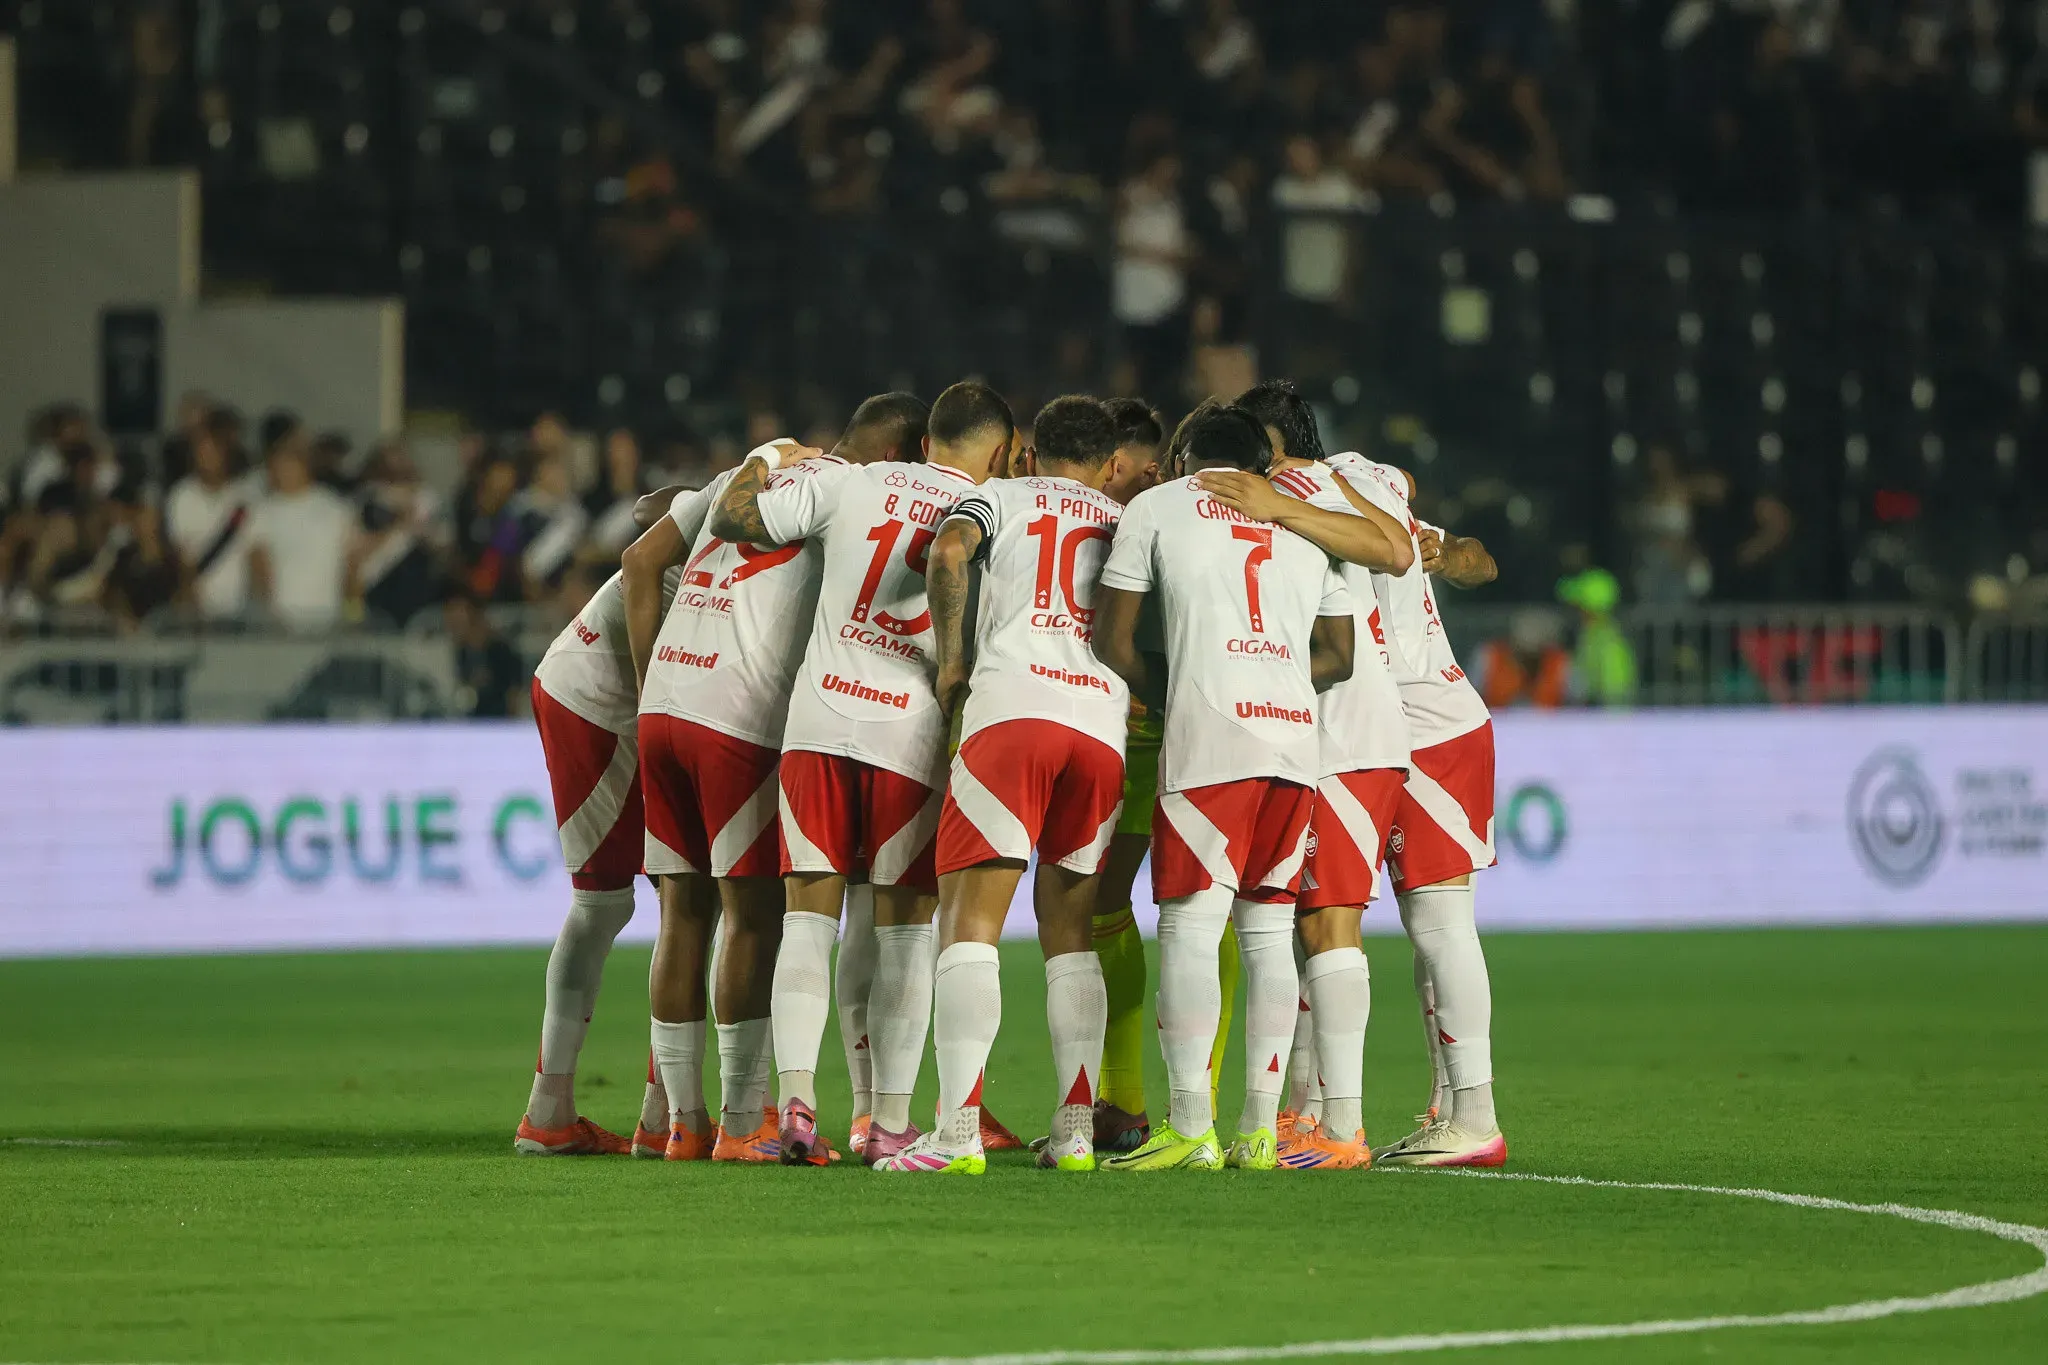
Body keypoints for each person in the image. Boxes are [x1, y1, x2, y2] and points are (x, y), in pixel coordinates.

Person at [710, 380, 1015, 1167]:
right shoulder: (992, 513)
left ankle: (800, 1104)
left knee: (808, 919)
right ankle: (886, 1122)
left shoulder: (852, 479)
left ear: (923, 442)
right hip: (905, 733)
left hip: (816, 721)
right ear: (1002, 453)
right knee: (906, 933)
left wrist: (765, 457)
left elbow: (734, 518)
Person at [622, 394, 929, 1164]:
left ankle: (680, 1122)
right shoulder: (855, 495)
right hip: (739, 715)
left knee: (681, 916)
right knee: (754, 917)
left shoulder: (748, 476)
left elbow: (641, 549)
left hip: (665, 700)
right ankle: (743, 1119)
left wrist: (650, 681)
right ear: (906, 453)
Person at [1090, 404, 1357, 1172]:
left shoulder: (1157, 506)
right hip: (1292, 742)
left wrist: (1180, 691)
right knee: (1268, 930)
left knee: (1189, 926)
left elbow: (1112, 638)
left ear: (1183, 455)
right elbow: (1337, 654)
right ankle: (1259, 1131)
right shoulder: (1302, 520)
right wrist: (1269, 681)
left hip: (1210, 741)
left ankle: (1187, 1127)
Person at [874, 396, 1128, 1175]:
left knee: (970, 924)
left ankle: (954, 1134)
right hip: (1101, 725)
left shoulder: (1002, 496)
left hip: (1012, 714)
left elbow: (950, 552)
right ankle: (1077, 1128)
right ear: (1113, 464)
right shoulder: (1125, 517)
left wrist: (952, 661)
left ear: (1027, 450)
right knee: (1072, 932)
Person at [1206, 379, 1416, 1169]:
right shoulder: (1315, 485)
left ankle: (1342, 1127)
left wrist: (1278, 500)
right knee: (1302, 928)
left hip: (1348, 734)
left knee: (1329, 924)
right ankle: (1308, 1114)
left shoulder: (1297, 484)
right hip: (1328, 735)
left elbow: (1393, 549)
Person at [1327, 452, 1508, 1169]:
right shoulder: (1360, 494)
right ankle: (1449, 1105)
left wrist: (1445, 553)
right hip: (1399, 726)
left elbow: (1478, 559)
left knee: (1439, 922)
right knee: (1414, 926)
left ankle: (1477, 1116)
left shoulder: (1331, 499)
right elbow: (1478, 559)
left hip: (1428, 729)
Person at [512, 484, 690, 1157]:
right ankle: (562, 1111)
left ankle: (650, 1113)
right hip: (597, 698)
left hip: (619, 696)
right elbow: (646, 514)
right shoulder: (792, 495)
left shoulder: (779, 493)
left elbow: (649, 506)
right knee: (625, 902)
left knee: (683, 897)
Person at [1084, 398, 1173, 1154]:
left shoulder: (1173, 518)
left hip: (1163, 740)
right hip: (1095, 735)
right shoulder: (1083, 517)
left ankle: (1192, 1107)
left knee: (1201, 910)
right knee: (1098, 906)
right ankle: (1125, 1099)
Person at [245, 420, 358, 632]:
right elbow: (259, 568)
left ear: (303, 465)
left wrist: (352, 618)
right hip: (278, 630)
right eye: (274, 465)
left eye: (284, 463)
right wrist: (269, 620)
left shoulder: (336, 510)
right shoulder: (261, 512)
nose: (277, 471)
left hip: (328, 625)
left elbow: (351, 570)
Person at [162, 408, 255, 625]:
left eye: (213, 451)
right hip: (197, 610)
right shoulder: (181, 496)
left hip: (239, 610)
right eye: (201, 451)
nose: (207, 458)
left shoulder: (244, 496)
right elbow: (181, 554)